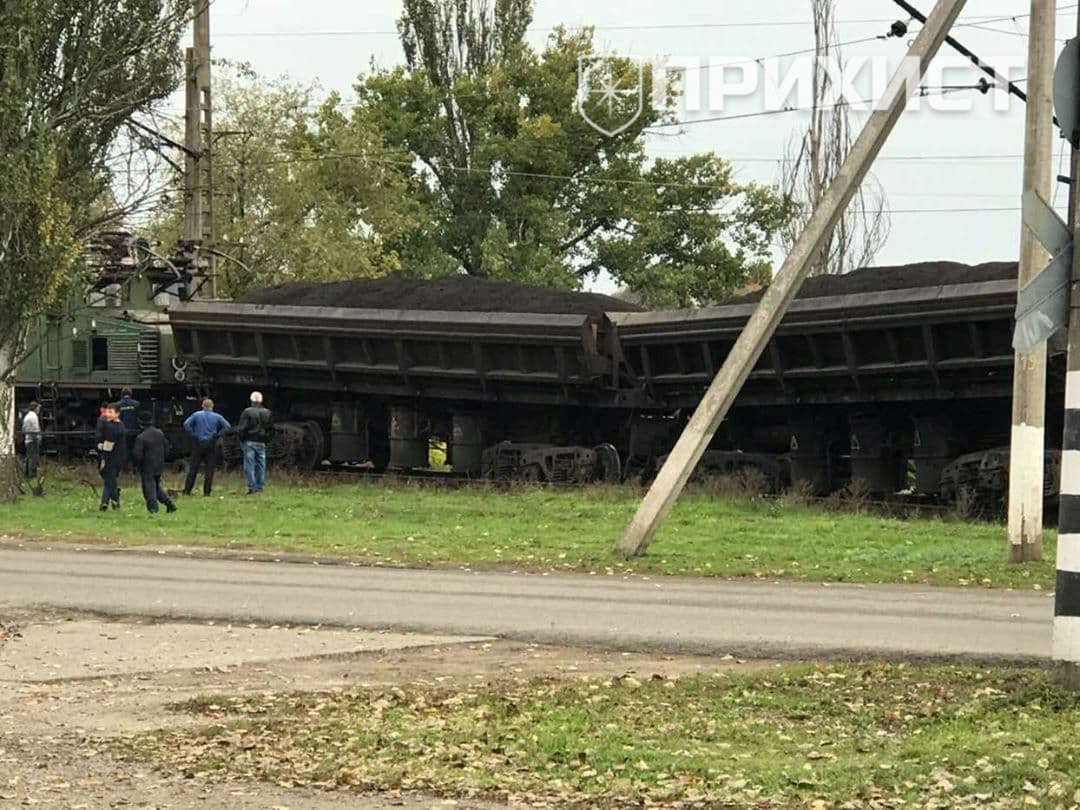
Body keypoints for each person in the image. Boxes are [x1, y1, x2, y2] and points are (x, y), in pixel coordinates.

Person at [182, 398, 230, 496]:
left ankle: (187, 490)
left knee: (193, 468)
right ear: (212, 406)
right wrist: (218, 434)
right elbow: (227, 426)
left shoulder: (196, 415)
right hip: (211, 443)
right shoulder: (217, 416)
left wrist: (193, 434)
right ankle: (207, 492)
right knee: (209, 469)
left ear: (203, 405)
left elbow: (186, 424)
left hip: (198, 443)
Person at [132, 422, 177, 514]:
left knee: (149, 488)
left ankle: (153, 509)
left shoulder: (141, 437)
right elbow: (166, 448)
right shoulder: (159, 433)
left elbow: (137, 455)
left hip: (147, 466)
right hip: (159, 465)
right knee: (156, 487)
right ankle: (170, 504)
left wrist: (135, 465)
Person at [236, 391, 273, 494]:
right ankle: (260, 487)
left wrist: (242, 439)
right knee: (261, 465)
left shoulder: (247, 412)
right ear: (261, 401)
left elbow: (242, 428)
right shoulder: (267, 412)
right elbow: (271, 429)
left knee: (249, 465)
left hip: (249, 440)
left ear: (251, 400)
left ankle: (251, 487)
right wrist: (266, 439)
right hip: (261, 441)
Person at [97, 403, 126, 511]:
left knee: (110, 480)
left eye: (110, 412)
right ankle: (110, 502)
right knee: (110, 480)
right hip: (118, 456)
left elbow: (108, 446)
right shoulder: (120, 425)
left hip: (112, 457)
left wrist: (100, 446)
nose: (107, 414)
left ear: (117, 414)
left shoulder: (112, 427)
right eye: (107, 411)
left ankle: (110, 502)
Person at [117, 387, 140, 471]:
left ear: (122, 394)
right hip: (134, 431)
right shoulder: (136, 404)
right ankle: (134, 468)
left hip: (123, 432)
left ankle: (124, 469)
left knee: (123, 450)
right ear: (131, 394)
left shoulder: (118, 405)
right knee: (134, 449)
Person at [22, 402, 41, 478]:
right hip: (33, 439)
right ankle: (32, 474)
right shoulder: (34, 417)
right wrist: (37, 438)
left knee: (28, 456)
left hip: (27, 439)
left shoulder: (27, 416)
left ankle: (26, 473)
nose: (39, 410)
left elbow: (23, 428)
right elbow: (35, 428)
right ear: (35, 408)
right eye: (38, 408)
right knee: (33, 457)